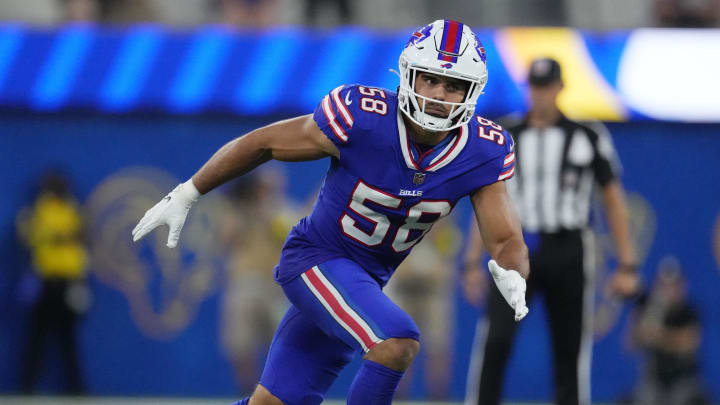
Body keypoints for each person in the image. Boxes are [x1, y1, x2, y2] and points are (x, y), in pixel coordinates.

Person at [132, 20, 530, 405]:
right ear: (408, 75)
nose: (439, 94)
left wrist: (514, 271)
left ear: (471, 92)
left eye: (453, 85)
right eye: (429, 79)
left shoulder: (483, 149)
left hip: (365, 281)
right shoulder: (364, 116)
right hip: (315, 261)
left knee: (273, 402)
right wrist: (189, 191)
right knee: (395, 340)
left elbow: (506, 238)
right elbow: (263, 143)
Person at [463, 57, 639, 405]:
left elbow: (613, 200)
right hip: (515, 247)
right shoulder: (506, 135)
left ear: (559, 88)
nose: (540, 95)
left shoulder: (587, 135)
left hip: (568, 247)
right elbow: (486, 201)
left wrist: (627, 263)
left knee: (569, 346)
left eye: (546, 86)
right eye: (535, 86)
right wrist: (471, 261)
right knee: (496, 341)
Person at [16, 170, 90, 394]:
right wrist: (60, 236)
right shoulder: (39, 210)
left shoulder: (73, 210)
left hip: (69, 281)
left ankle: (75, 389)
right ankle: (27, 387)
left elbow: (81, 237)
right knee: (37, 338)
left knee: (68, 339)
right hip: (45, 281)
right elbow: (31, 236)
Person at [629, 256, 709, 405]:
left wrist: (657, 335)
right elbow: (631, 344)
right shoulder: (649, 308)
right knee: (643, 398)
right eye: (664, 285)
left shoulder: (688, 311)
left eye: (673, 285)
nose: (668, 290)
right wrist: (639, 329)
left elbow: (688, 343)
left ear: (682, 286)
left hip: (683, 379)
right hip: (654, 379)